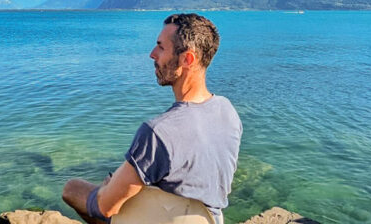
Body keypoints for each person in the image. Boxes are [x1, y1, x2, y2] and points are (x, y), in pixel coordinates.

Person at [62, 13, 242, 223]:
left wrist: (107, 189)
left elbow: (106, 207)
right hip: (210, 219)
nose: (152, 54)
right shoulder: (228, 111)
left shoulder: (158, 132)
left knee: (73, 188)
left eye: (161, 47)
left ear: (187, 59)